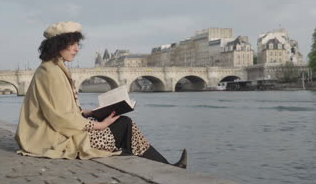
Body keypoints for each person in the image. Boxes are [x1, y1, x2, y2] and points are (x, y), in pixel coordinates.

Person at [15, 21, 187, 168]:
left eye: (78, 44)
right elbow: (59, 117)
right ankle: (167, 167)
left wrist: (87, 113)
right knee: (124, 125)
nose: (76, 49)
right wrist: (99, 125)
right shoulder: (51, 72)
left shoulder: (53, 67)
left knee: (123, 125)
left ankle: (161, 165)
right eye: (72, 44)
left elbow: (59, 110)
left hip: (57, 131)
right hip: (53, 138)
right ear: (58, 44)